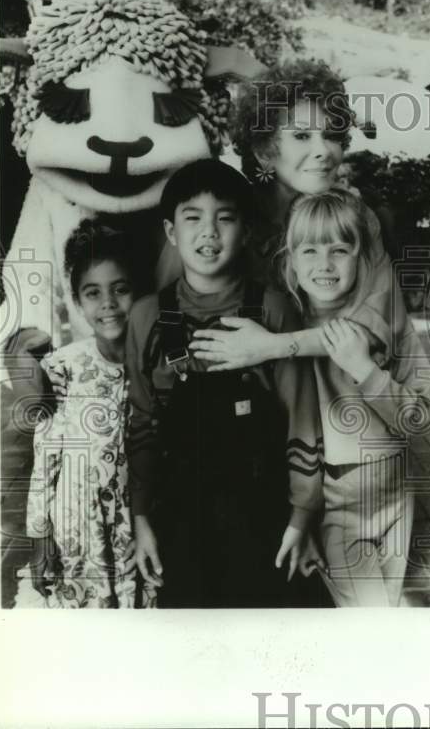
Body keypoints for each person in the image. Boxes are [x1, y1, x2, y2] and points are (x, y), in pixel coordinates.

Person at [125, 159, 323, 608]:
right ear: (172, 232)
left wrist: (302, 518)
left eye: (226, 219)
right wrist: (141, 518)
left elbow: (303, 421)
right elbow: (141, 424)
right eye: (192, 218)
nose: (209, 233)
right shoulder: (146, 317)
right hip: (177, 517)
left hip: (264, 515)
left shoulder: (273, 311)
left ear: (247, 231)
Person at [184, 58, 409, 370]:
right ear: (264, 151)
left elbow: (378, 326)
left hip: (338, 395)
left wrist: (272, 346)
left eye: (331, 135)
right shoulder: (228, 219)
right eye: (302, 136)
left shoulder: (357, 217)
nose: (324, 151)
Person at [283, 192, 430, 606]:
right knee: (373, 617)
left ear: (361, 257)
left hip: (396, 493)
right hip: (338, 501)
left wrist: (366, 370)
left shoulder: (383, 323)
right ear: (292, 262)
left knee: (381, 607)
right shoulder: (287, 328)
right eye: (310, 249)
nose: (324, 263)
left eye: (340, 249)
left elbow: (420, 418)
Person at [25, 221, 152, 607]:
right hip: (78, 530)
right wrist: (39, 535)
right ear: (78, 301)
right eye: (93, 293)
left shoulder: (157, 367)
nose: (108, 304)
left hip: (138, 527)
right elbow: (45, 459)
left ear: (140, 293)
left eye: (121, 289)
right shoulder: (63, 368)